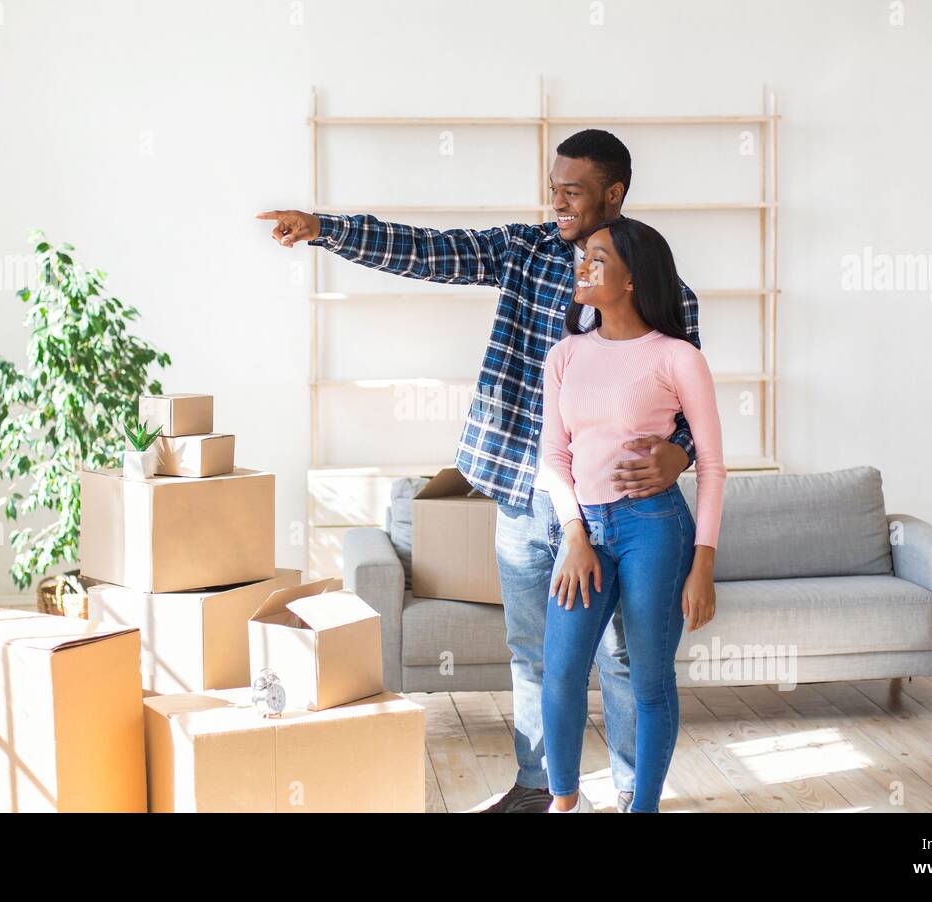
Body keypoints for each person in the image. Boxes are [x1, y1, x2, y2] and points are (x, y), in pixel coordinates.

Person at [257, 129, 701, 813]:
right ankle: (543, 789)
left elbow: (688, 415)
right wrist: (325, 229)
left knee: (620, 659)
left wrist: (681, 452)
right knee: (533, 651)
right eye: (553, 186)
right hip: (527, 498)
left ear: (614, 194)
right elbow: (429, 251)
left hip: (619, 512)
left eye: (572, 190)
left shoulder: (670, 294)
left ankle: (629, 791)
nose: (555, 200)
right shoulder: (523, 253)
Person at [539, 217, 724, 813]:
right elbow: (553, 456)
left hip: (654, 529)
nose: (582, 265)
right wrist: (573, 533)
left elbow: (713, 467)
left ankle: (643, 808)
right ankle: (563, 802)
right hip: (583, 531)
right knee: (562, 674)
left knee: (648, 681)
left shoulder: (678, 358)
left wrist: (703, 565)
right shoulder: (565, 355)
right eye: (583, 255)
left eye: (598, 257)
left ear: (630, 280)